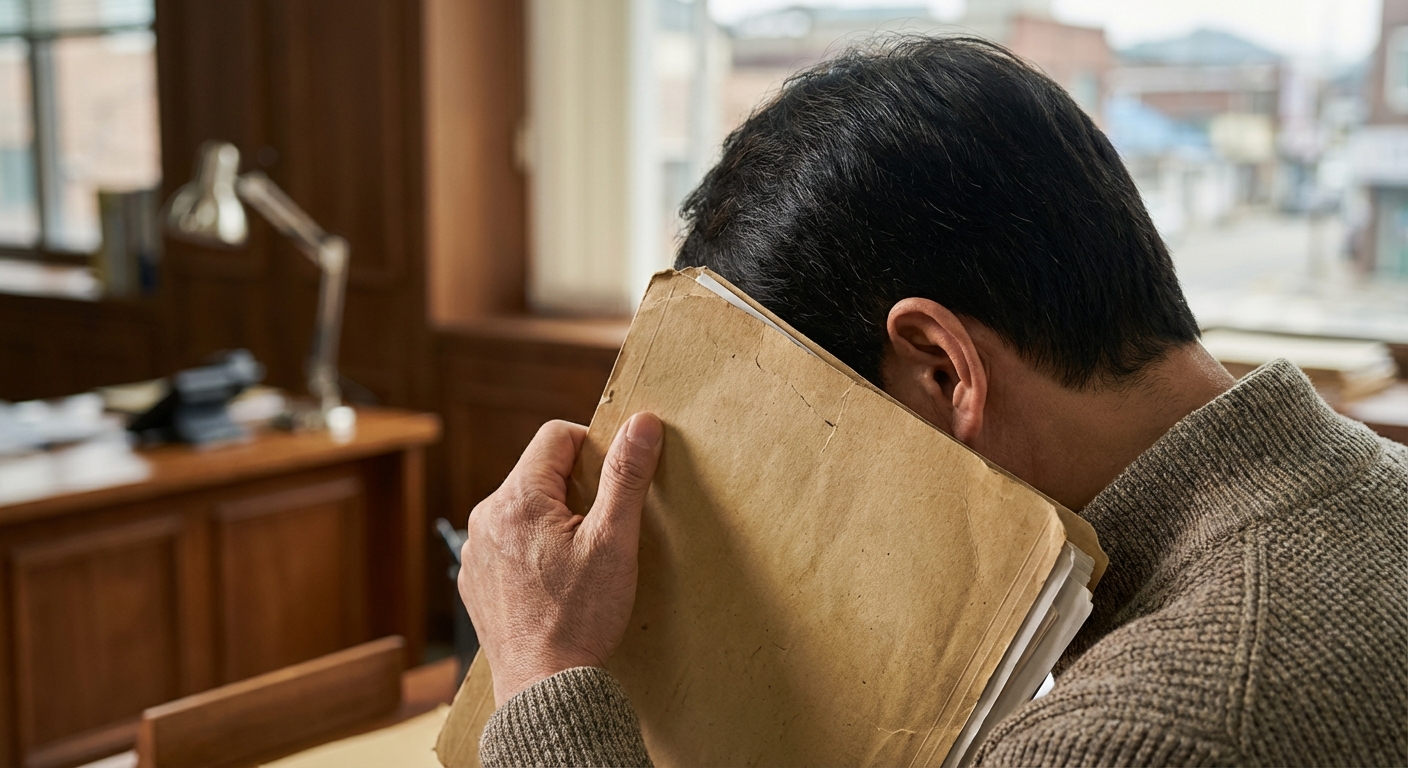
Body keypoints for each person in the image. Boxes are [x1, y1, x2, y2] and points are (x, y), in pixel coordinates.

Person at [458, 37, 1408, 767]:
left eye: (816, 448)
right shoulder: (1378, 489)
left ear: (942, 370)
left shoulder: (1139, 729)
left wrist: (546, 677)